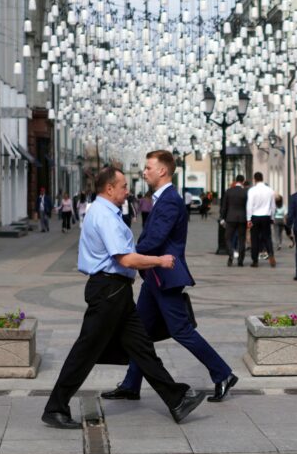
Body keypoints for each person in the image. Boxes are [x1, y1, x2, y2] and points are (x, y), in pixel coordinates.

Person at [42, 166, 206, 429]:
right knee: (85, 351)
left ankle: (176, 399)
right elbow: (125, 258)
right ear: (109, 189)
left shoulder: (104, 211)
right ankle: (55, 407)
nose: (128, 190)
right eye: (123, 186)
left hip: (116, 291)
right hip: (108, 291)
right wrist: (159, 261)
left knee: (142, 348)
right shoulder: (105, 215)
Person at [102, 151, 237, 405]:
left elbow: (155, 240)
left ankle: (222, 373)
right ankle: (131, 384)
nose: (144, 172)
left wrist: (125, 253)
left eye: (148, 167)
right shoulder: (162, 199)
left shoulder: (170, 200)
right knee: (139, 333)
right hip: (154, 277)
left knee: (181, 330)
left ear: (162, 171)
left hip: (165, 276)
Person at [246, 172, 276, 268]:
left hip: (255, 216)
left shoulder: (252, 190)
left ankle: (255, 260)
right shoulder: (270, 190)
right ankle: (270, 253)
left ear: (254, 179)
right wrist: (272, 217)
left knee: (254, 239)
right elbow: (273, 206)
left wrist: (248, 219)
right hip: (266, 216)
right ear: (262, 178)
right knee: (267, 237)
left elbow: (249, 205)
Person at [220, 175, 248, 267]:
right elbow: (248, 206)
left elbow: (224, 206)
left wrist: (222, 218)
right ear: (243, 181)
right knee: (242, 239)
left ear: (235, 181)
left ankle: (231, 254)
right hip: (242, 218)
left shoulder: (229, 191)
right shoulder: (245, 192)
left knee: (228, 237)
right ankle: (240, 260)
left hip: (230, 218)